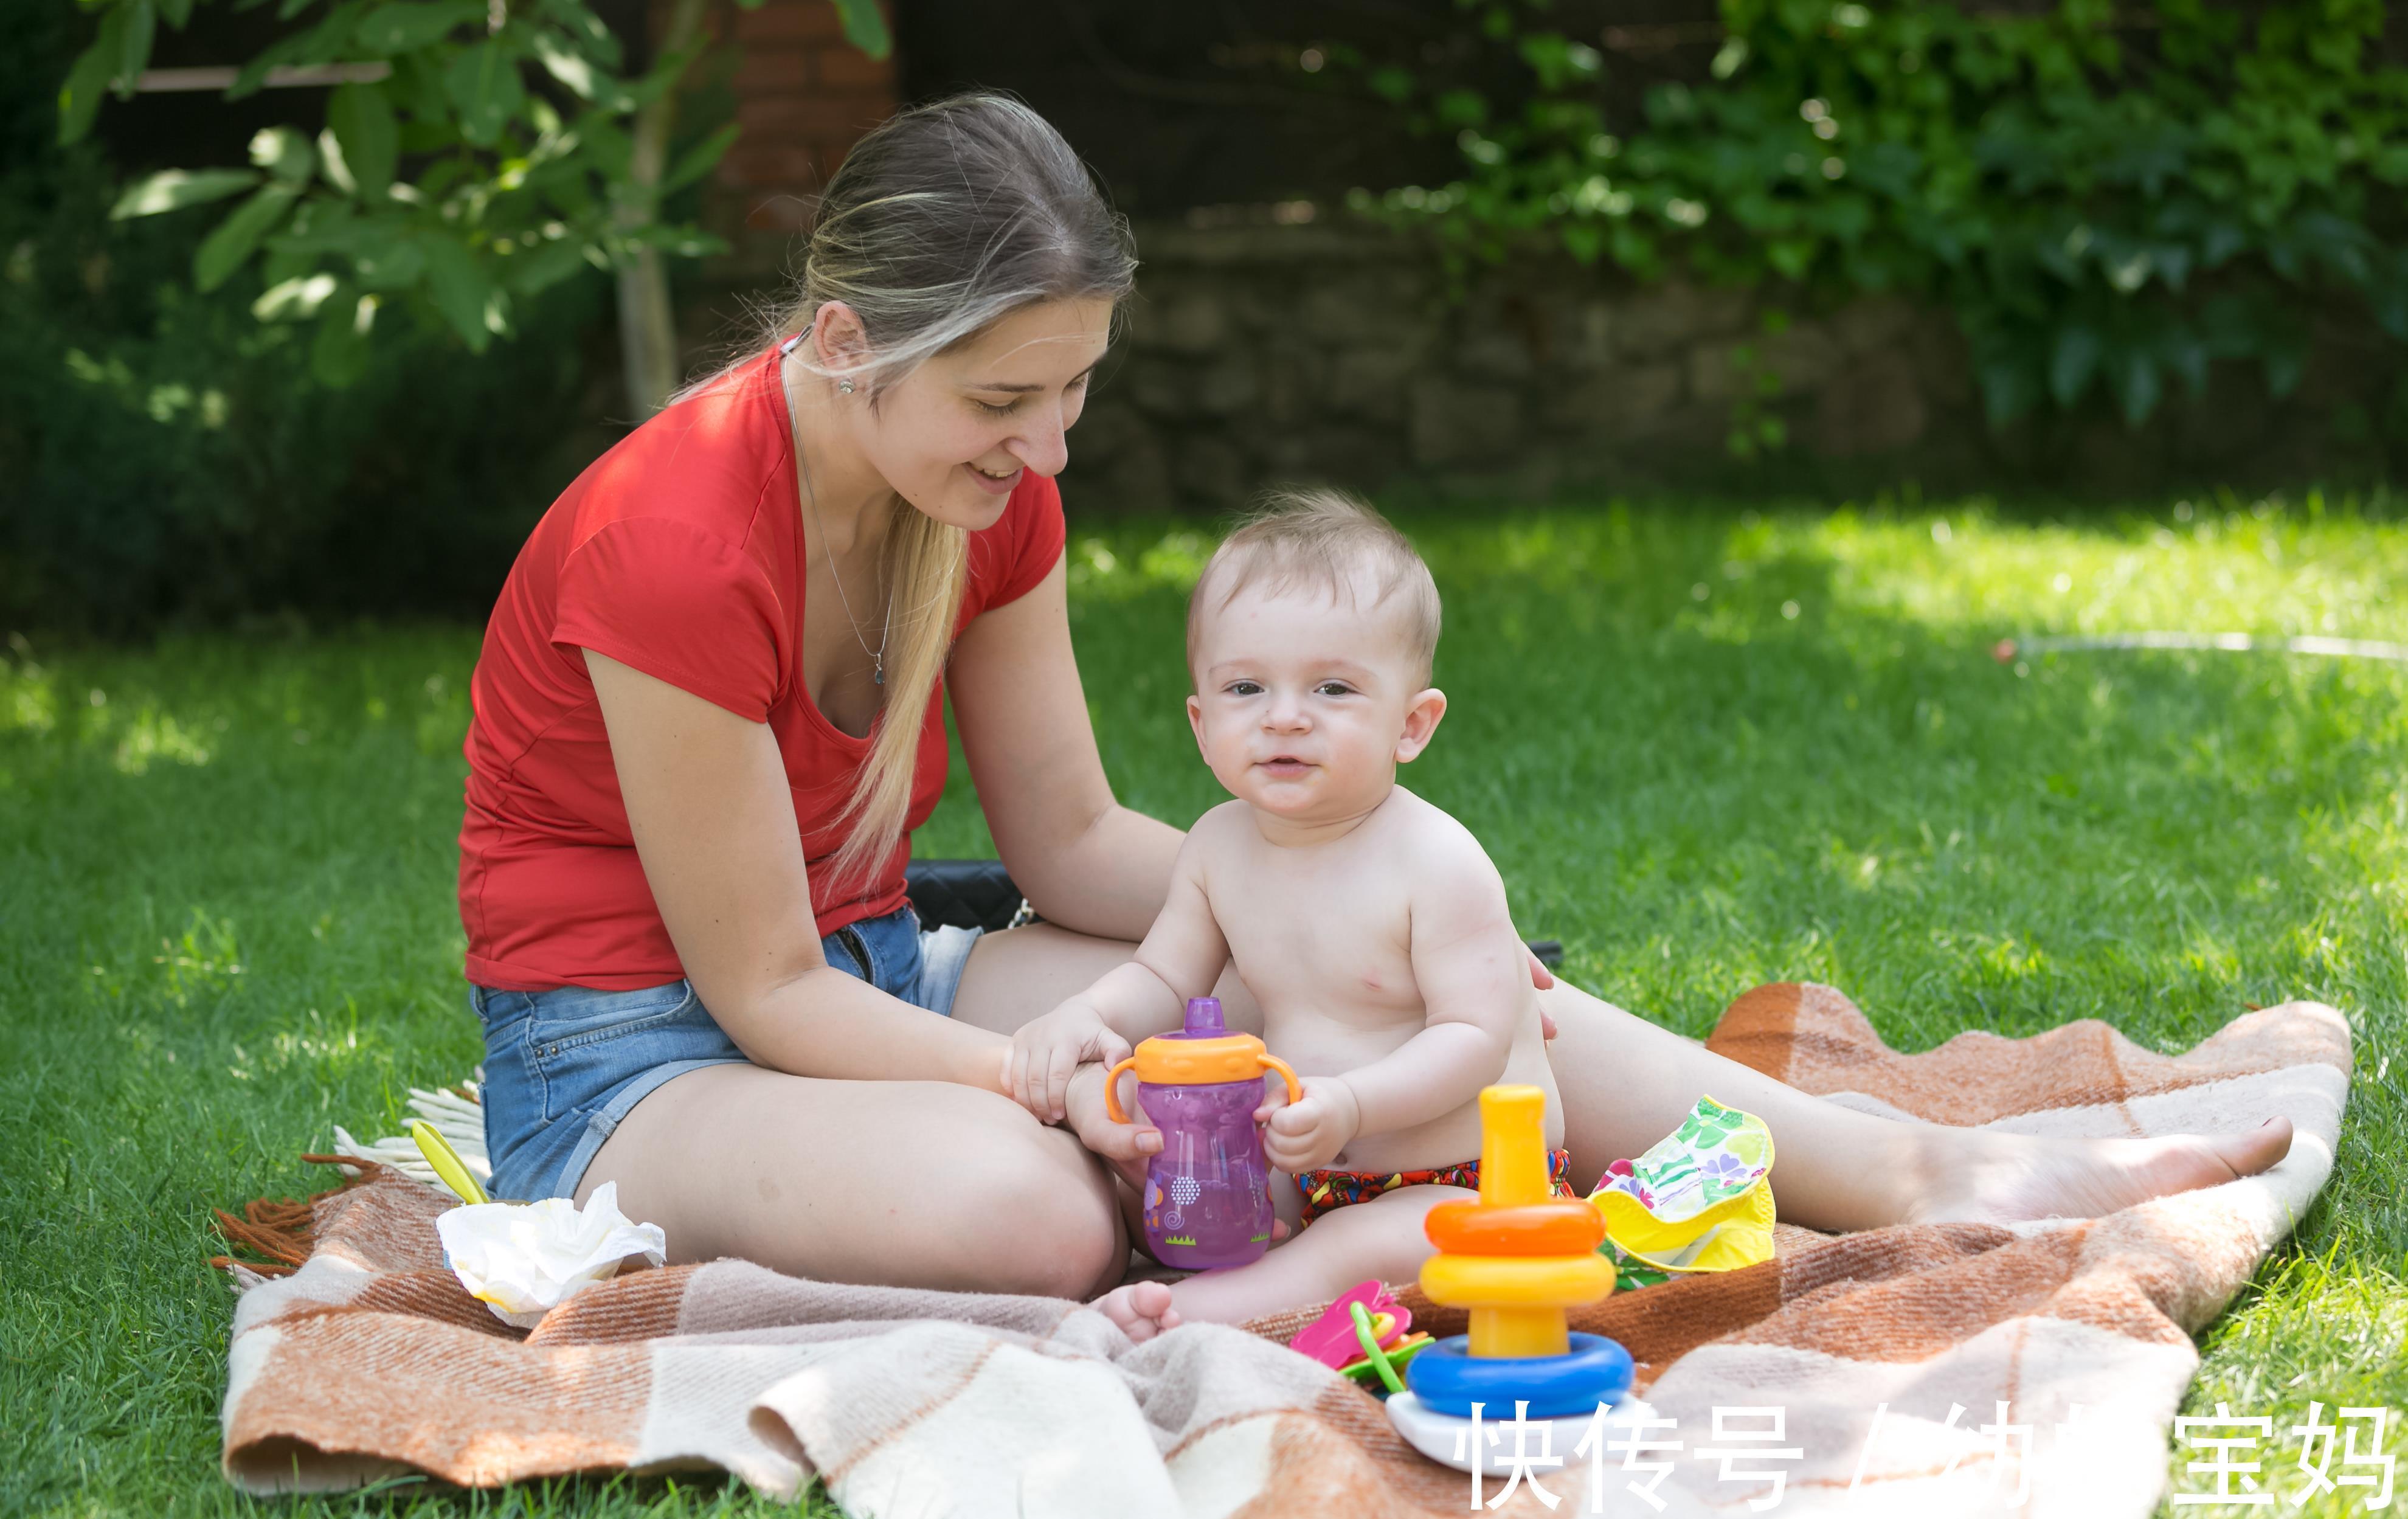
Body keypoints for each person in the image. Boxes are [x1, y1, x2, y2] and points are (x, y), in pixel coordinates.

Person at [455, 92, 2295, 1312]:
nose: (1048, 447)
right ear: (849, 344)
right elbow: (759, 993)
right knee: (1028, 1208)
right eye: (1006, 401)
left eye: (1074, 393)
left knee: (1421, 1000)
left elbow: (1080, 843)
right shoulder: (675, 540)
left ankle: (1924, 1165)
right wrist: (1054, 1079)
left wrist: (1364, 915)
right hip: (632, 1059)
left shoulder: (982, 502)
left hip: (874, 978)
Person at [1011, 491, 1576, 1334]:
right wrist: (1089, 1014)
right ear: (1203, 725)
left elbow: (1475, 1039)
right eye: (1246, 686)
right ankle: (1220, 1265)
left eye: (1334, 688)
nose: (1283, 715)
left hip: (1464, 1181)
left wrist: (1352, 1104)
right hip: (1302, 1158)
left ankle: (1192, 1314)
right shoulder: (1217, 848)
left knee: (1352, 1253)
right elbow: (1163, 973)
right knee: (1160, 1182)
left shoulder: (1435, 859)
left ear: (1411, 725)